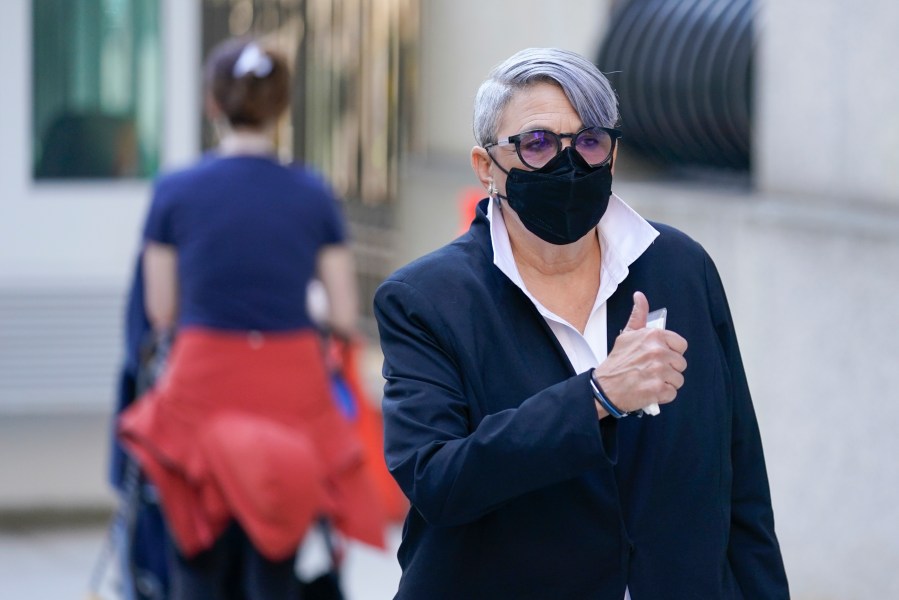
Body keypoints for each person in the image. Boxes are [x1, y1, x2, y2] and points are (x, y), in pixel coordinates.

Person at [374, 47, 789, 599]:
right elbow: (438, 481)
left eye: (589, 141)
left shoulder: (680, 266)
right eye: (537, 143)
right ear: (486, 167)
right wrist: (595, 397)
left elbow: (740, 479)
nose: (568, 164)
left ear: (612, 157)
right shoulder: (427, 299)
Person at [118, 37, 385, 599]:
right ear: (281, 107)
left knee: (197, 562)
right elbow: (341, 312)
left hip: (202, 389)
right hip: (289, 395)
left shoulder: (175, 190)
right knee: (277, 557)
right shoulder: (312, 193)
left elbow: (161, 311)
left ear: (212, 104)